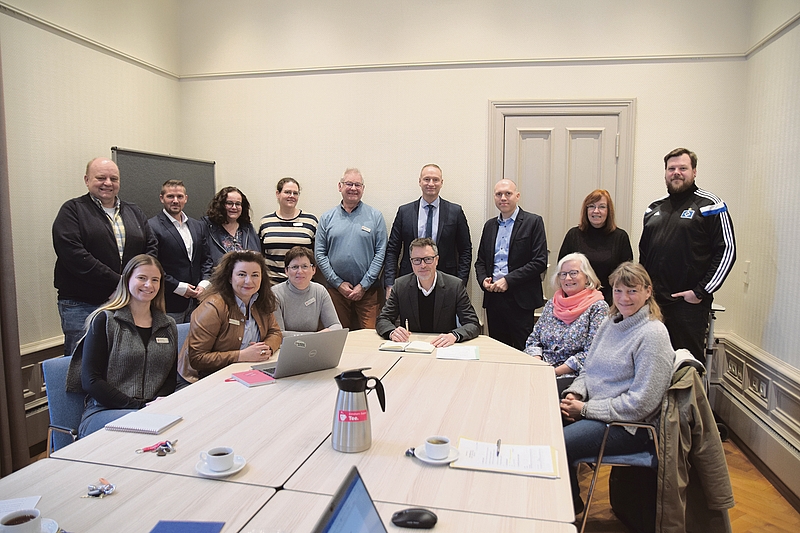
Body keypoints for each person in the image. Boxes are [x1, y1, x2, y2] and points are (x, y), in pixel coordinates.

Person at [560, 262, 675, 515]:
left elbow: (641, 404)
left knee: (559, 443)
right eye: (618, 291)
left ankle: (567, 510)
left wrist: (585, 409)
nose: (624, 298)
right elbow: (588, 369)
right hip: (599, 410)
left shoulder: (653, 334)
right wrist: (575, 393)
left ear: (648, 291)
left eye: (632, 291)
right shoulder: (610, 323)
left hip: (630, 426)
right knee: (542, 422)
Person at [53, 157, 158, 358]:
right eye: (101, 178)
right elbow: (73, 254)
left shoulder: (134, 211)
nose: (108, 183)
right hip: (82, 304)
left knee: (122, 359)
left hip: (126, 303)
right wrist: (119, 283)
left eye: (113, 178)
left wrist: (136, 281)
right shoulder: (72, 210)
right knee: (82, 361)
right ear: (87, 180)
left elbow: (151, 248)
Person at [639, 148, 736, 362]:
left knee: (686, 366)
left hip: (688, 306)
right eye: (671, 168)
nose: (676, 173)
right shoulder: (654, 208)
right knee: (651, 362)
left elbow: (727, 250)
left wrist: (700, 291)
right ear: (665, 173)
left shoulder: (711, 205)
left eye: (683, 168)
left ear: (694, 172)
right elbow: (644, 255)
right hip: (654, 304)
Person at [64, 255, 177, 438]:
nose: (149, 285)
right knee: (150, 428)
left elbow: (170, 378)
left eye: (155, 280)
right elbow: (91, 380)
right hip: (104, 411)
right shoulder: (105, 320)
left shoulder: (168, 324)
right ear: (127, 280)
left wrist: (156, 403)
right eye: (142, 278)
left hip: (152, 411)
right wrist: (138, 407)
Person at [177, 251, 282, 383]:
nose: (249, 281)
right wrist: (241, 355)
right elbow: (198, 359)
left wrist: (265, 348)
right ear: (230, 278)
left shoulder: (261, 301)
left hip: (246, 372)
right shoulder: (212, 307)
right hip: (205, 379)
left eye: (255, 275)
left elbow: (275, 332)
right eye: (241, 274)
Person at [475, 179, 548, 350]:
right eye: (498, 194)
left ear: (517, 196)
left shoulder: (533, 222)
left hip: (521, 298)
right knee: (498, 349)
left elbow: (539, 261)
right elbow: (480, 261)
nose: (503, 198)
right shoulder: (489, 226)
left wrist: (508, 280)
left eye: (508, 193)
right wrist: (483, 280)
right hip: (494, 298)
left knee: (524, 349)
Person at [524, 253, 608, 393]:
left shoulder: (598, 307)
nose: (567, 278)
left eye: (573, 273)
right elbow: (533, 340)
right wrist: (538, 363)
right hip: (540, 368)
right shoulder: (552, 304)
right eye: (563, 274)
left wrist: (554, 372)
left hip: (573, 377)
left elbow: (592, 353)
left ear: (587, 277)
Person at [384, 164, 472, 297]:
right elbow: (392, 250)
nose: (431, 183)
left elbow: (465, 250)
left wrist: (460, 283)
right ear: (420, 181)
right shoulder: (404, 212)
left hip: (446, 281)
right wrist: (390, 284)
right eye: (426, 179)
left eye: (435, 180)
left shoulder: (455, 212)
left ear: (441, 183)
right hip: (409, 280)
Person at [315, 168, 387, 330]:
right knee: (336, 336)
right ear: (339, 186)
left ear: (363, 189)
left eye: (357, 185)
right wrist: (338, 283)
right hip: (335, 291)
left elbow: (381, 252)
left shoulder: (375, 216)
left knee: (371, 337)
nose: (353, 188)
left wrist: (364, 285)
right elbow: (319, 254)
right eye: (349, 184)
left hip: (369, 291)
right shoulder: (327, 218)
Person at [376, 238, 480, 347]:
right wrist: (392, 332)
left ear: (437, 260)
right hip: (411, 346)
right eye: (417, 260)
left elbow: (472, 323)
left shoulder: (455, 286)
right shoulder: (400, 286)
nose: (423, 265)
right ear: (411, 262)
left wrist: (454, 335)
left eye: (428, 259)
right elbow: (383, 319)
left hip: (443, 348)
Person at [149, 180, 213, 323]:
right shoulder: (152, 226)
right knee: (172, 337)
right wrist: (178, 287)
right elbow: (152, 266)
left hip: (198, 300)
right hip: (169, 301)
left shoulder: (198, 225)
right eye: (170, 196)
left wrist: (204, 283)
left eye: (179, 196)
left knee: (195, 337)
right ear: (162, 198)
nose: (175, 201)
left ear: (186, 198)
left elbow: (206, 259)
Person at [558, 189, 633, 303]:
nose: (596, 211)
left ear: (609, 211)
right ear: (586, 210)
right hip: (578, 300)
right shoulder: (573, 235)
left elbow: (626, 274)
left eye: (602, 207)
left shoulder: (620, 237)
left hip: (611, 301)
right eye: (591, 206)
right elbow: (562, 270)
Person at [271, 246, 342, 336]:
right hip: (287, 344)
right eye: (295, 267)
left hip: (314, 343)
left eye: (304, 266)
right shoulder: (275, 294)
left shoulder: (320, 291)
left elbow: (336, 326)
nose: (300, 271)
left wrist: (314, 337)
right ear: (286, 271)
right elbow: (278, 333)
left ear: (313, 270)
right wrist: (313, 336)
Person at [259, 177, 319, 283]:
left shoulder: (311, 221)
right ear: (278, 194)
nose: (291, 196)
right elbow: (260, 254)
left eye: (295, 193)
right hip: (272, 284)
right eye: (287, 192)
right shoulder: (265, 222)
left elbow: (317, 254)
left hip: (302, 284)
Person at [203, 186, 260, 265]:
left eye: (238, 204)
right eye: (229, 203)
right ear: (220, 205)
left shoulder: (248, 228)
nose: (234, 207)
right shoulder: (208, 227)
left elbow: (258, 257)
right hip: (217, 273)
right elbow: (204, 261)